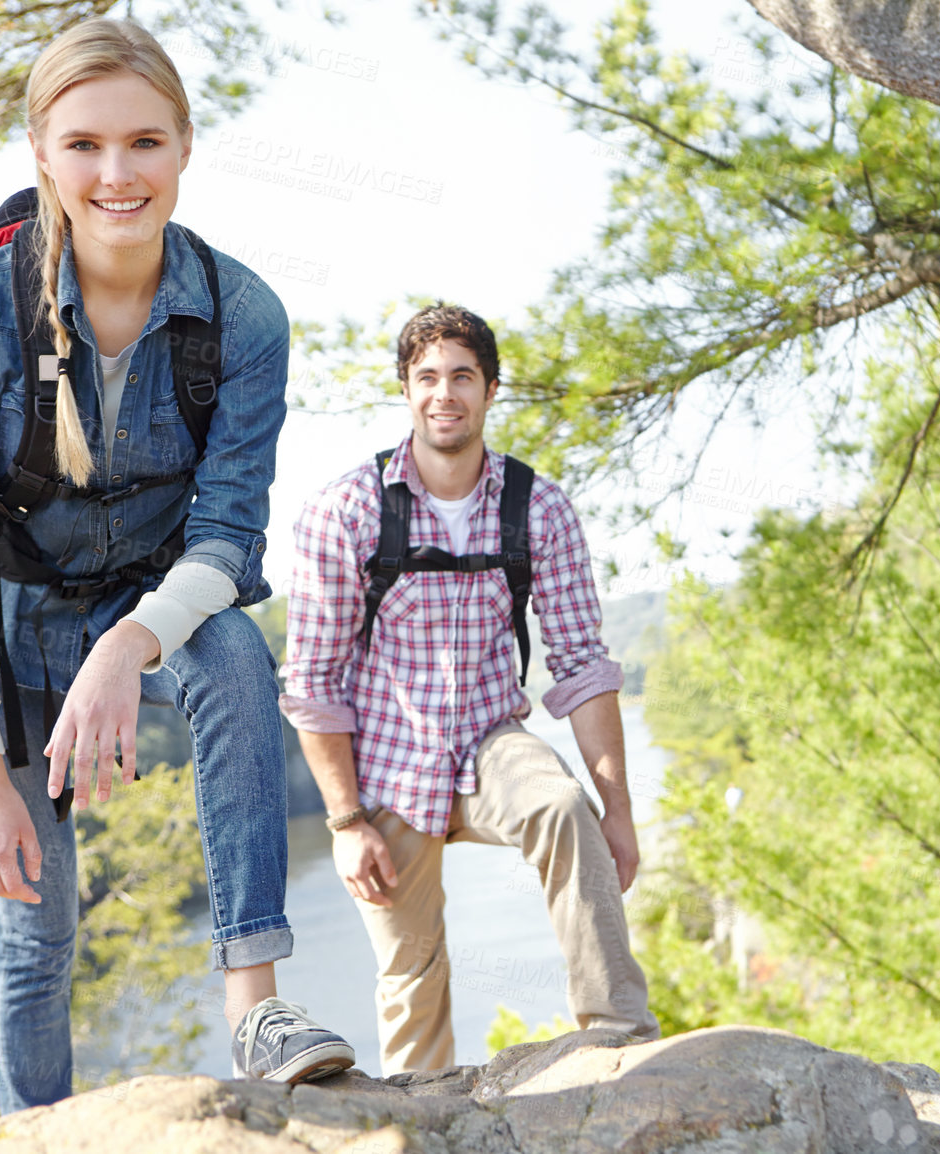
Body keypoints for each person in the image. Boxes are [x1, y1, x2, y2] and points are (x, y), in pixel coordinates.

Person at [0, 17, 352, 1112]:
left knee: (239, 657)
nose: (117, 174)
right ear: (40, 155)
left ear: (187, 148)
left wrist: (126, 642)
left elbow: (230, 539)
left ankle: (258, 1002)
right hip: (3, 638)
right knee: (36, 932)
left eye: (146, 143)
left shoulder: (241, 314)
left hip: (149, 606)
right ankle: (35, 1128)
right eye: (85, 146)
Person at [282, 304, 661, 1073]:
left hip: (493, 743)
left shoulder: (538, 507)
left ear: (490, 389)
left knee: (563, 808)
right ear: (406, 390)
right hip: (385, 759)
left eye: (462, 377)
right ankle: (425, 1123)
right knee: (411, 979)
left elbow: (583, 666)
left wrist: (616, 811)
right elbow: (314, 682)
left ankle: (618, 1040)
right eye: (427, 378)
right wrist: (346, 821)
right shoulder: (346, 511)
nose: (443, 394)